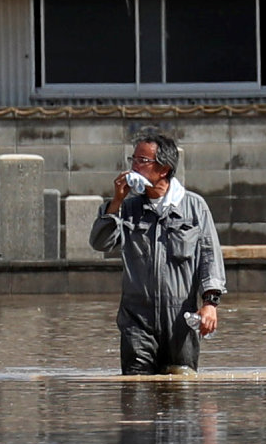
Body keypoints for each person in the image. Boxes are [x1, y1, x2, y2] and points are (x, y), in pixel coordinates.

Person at [91, 133, 226, 375]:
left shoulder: (194, 207)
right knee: (136, 396)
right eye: (133, 159)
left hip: (181, 320)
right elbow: (100, 242)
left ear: (163, 169)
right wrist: (116, 202)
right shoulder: (128, 208)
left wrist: (210, 304)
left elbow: (210, 257)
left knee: (181, 392)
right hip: (137, 320)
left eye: (142, 160)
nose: (133, 166)